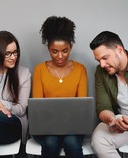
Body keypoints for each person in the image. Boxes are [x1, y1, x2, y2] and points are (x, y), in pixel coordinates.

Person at [32, 16, 88, 158]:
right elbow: (37, 107)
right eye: (54, 51)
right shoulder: (39, 70)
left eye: (65, 50)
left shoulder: (80, 69)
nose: (60, 56)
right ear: (48, 49)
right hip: (46, 127)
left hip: (73, 128)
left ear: (71, 47)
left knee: (72, 143)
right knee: (51, 142)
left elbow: (82, 106)